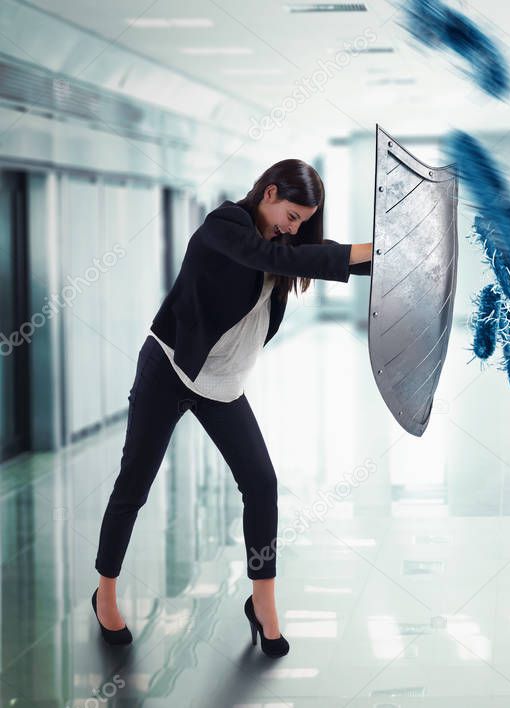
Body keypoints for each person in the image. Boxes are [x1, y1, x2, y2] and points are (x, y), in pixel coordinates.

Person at [90, 159, 372, 657]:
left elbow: (324, 257)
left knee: (261, 483)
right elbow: (274, 259)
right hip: (171, 367)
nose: (295, 228)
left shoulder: (284, 242)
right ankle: (106, 593)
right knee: (135, 480)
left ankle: (263, 601)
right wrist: (351, 251)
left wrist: (401, 254)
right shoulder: (225, 225)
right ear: (268, 193)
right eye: (291, 215)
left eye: (303, 222)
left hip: (222, 383)